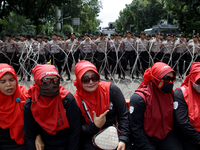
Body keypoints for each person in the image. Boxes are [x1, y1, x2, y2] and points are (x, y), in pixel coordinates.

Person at [73, 60, 130, 150]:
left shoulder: (111, 90)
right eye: (85, 79)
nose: (91, 82)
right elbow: (78, 128)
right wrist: (95, 126)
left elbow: (123, 116)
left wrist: (123, 139)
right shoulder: (76, 101)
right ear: (79, 81)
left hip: (113, 135)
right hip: (90, 139)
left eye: (94, 78)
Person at [24, 64, 81, 150]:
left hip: (66, 144)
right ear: (37, 82)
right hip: (44, 145)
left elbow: (74, 132)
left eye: (55, 80)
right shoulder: (31, 103)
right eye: (46, 81)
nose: (52, 84)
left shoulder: (66, 99)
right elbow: (29, 135)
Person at [129, 62, 182, 150]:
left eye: (172, 79)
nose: (170, 82)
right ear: (156, 79)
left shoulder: (170, 94)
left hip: (166, 135)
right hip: (147, 138)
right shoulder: (140, 99)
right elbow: (136, 129)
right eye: (166, 79)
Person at [0, 63, 28, 149]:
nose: (8, 84)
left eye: (12, 80)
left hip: (23, 143)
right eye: (3, 82)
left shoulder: (24, 96)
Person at [173, 62, 200, 150]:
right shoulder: (181, 93)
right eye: (199, 81)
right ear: (192, 78)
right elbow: (182, 122)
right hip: (190, 138)